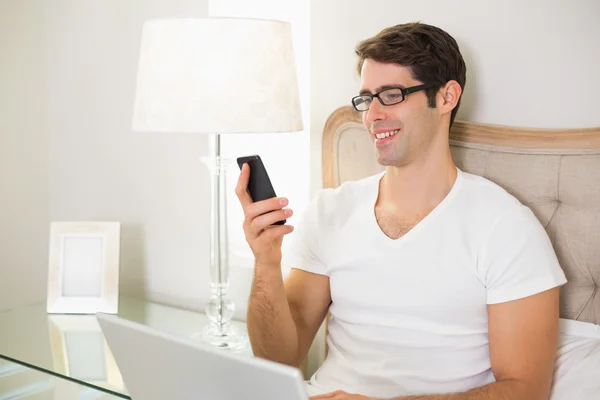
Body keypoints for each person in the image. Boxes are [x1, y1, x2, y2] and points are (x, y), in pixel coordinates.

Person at [235, 22, 567, 400]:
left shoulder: (505, 227)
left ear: (446, 97)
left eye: (391, 95)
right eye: (365, 99)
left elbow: (525, 391)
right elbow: (278, 360)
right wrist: (265, 263)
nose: (372, 115)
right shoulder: (330, 211)